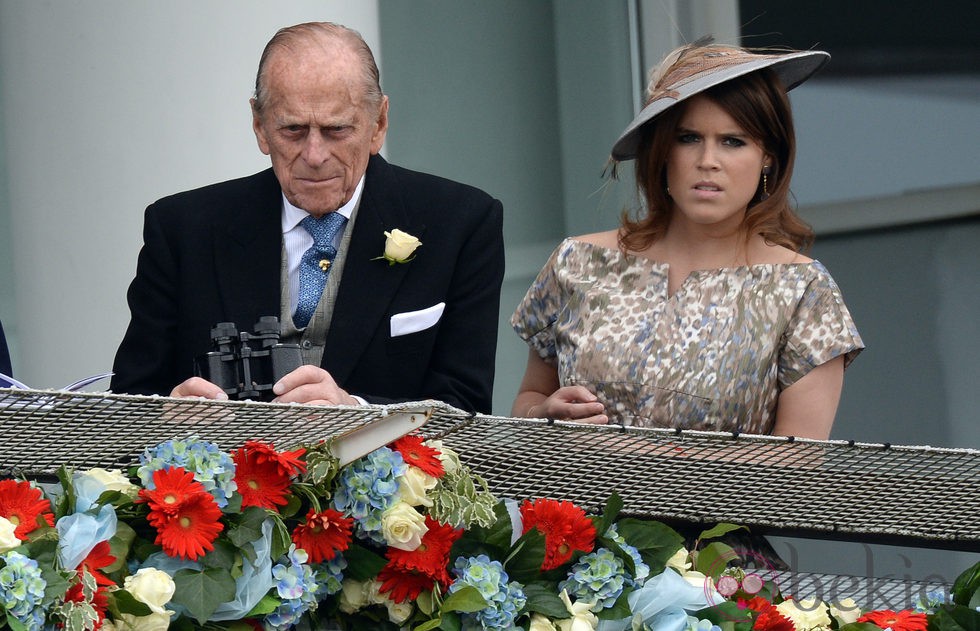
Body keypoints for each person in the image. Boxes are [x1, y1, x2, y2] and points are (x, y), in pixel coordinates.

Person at [110, 22, 504, 413]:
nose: (315, 156)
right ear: (260, 126)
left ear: (378, 124)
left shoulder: (461, 223)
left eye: (336, 129)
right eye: (293, 130)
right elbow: (126, 405)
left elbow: (466, 411)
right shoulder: (182, 230)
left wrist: (357, 411)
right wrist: (166, 416)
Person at [511, 41, 863, 438]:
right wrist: (541, 414)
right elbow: (528, 398)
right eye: (688, 138)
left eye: (734, 141)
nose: (707, 160)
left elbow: (796, 461)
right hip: (574, 500)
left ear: (769, 156)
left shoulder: (804, 290)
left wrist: (651, 458)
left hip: (727, 503)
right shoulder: (577, 261)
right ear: (662, 151)